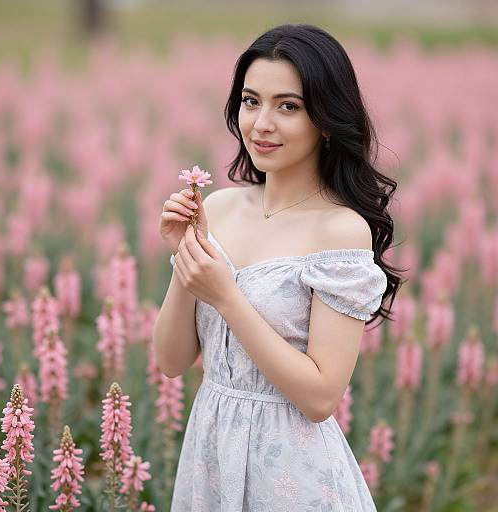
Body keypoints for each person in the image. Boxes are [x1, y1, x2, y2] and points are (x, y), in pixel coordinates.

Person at [155, 23, 403, 511]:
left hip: (294, 472)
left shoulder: (340, 231)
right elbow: (170, 361)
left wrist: (226, 296)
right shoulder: (221, 208)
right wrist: (187, 252)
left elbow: (319, 398)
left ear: (327, 120)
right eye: (251, 101)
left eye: (287, 106)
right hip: (210, 455)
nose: (261, 123)